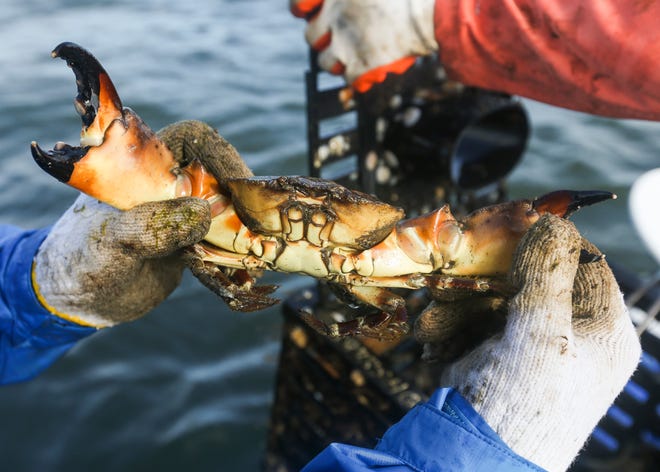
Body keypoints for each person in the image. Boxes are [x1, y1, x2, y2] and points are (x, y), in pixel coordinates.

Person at [0, 1, 651, 470]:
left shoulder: (408, 249)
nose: (307, 216)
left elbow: (450, 255)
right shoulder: (221, 213)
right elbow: (187, 211)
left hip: (375, 252)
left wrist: (29, 290)